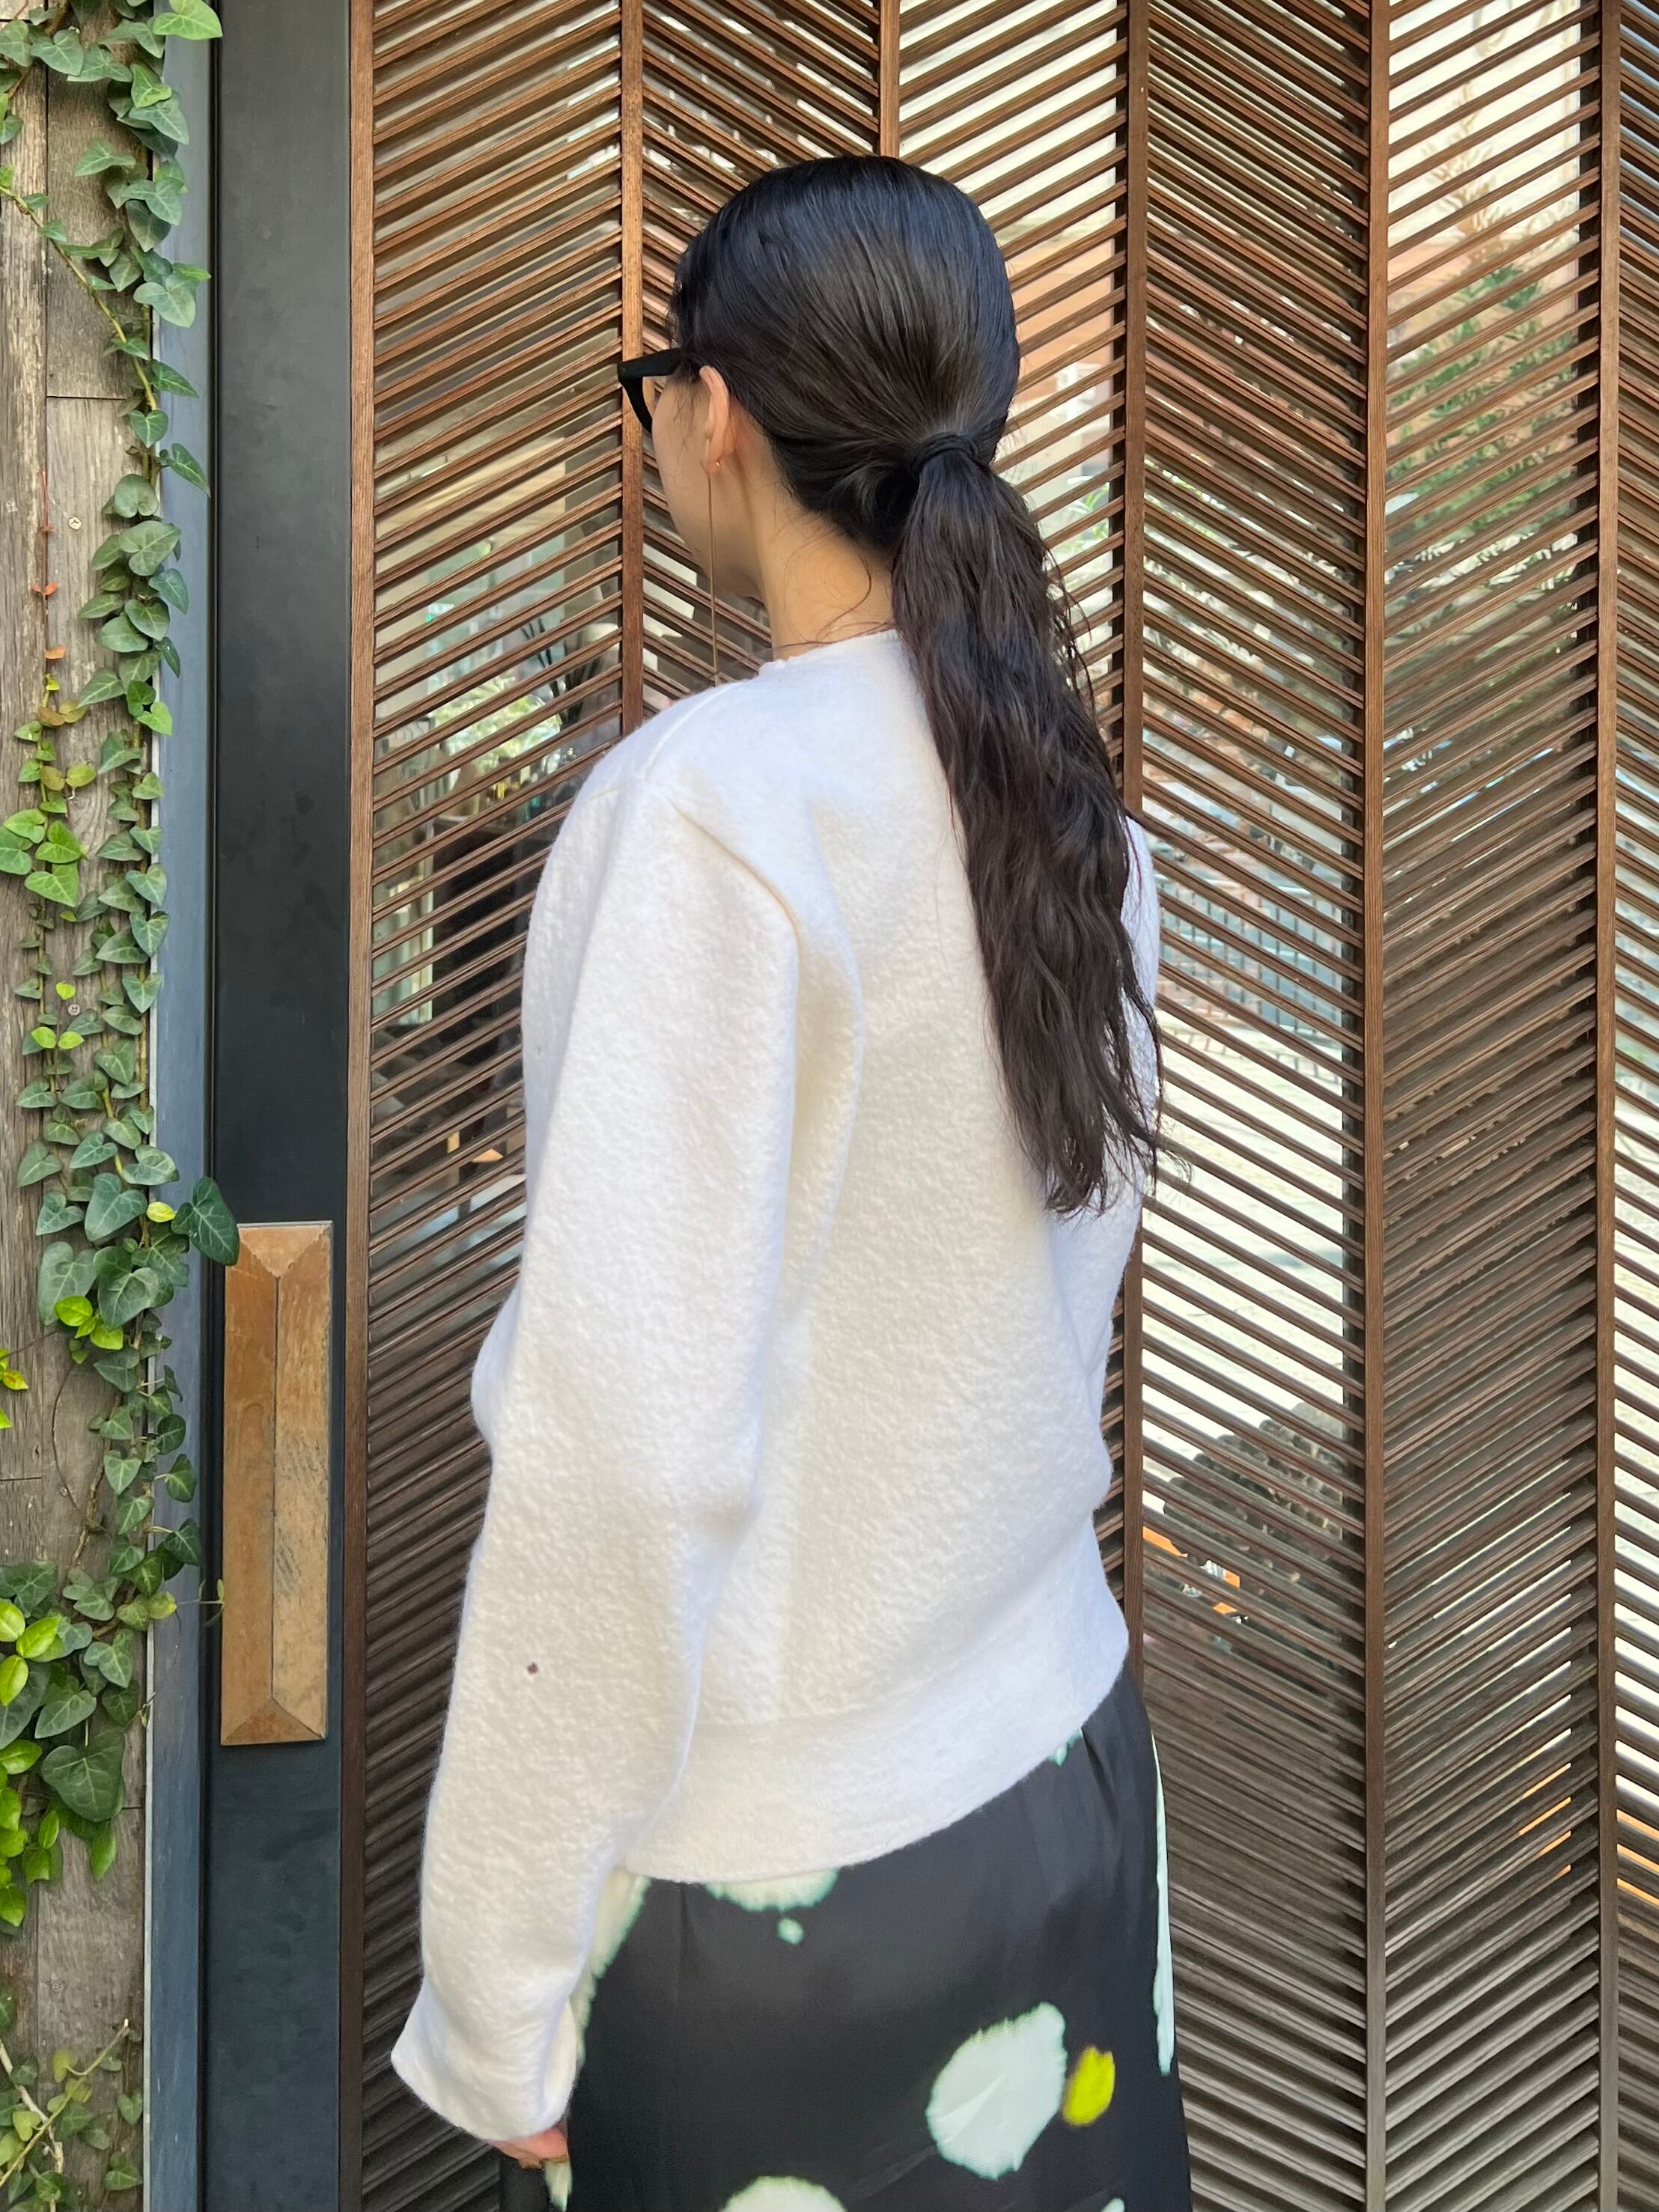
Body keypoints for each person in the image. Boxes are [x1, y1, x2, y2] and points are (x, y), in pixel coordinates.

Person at [391, 152, 1193, 2212]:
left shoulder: (717, 809)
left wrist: (494, 1986)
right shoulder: (1075, 814)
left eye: (651, 385)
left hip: (788, 1906)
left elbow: (630, 1451)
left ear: (717, 410)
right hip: (1064, 1779)